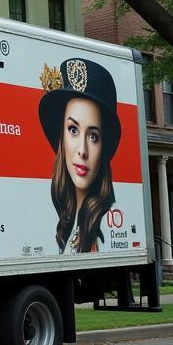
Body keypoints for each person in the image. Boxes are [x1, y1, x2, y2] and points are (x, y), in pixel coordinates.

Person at [38, 58, 121, 253]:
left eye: (93, 136)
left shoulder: (100, 230)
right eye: (73, 130)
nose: (82, 150)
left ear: (104, 147)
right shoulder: (66, 220)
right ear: (62, 137)